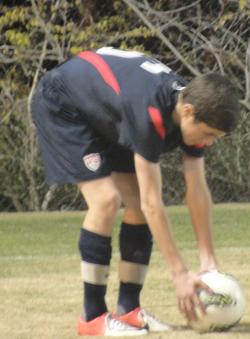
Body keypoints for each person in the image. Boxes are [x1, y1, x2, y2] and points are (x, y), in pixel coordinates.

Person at [31, 46, 240, 336]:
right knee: (106, 200)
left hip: (105, 112)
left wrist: (209, 261)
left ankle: (129, 310)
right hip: (64, 103)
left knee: (137, 208)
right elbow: (153, 201)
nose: (209, 142)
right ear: (189, 112)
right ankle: (92, 318)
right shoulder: (149, 112)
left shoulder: (191, 105)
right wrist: (179, 273)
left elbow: (197, 189)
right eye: (208, 134)